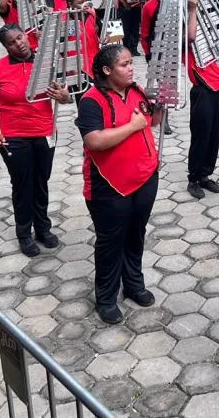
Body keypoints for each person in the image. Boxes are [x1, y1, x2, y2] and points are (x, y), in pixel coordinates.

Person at [76, 44, 161, 324]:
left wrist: (161, 104)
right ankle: (106, 298)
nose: (131, 68)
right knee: (111, 242)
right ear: (106, 70)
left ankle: (134, 284)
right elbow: (95, 141)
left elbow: (151, 121)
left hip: (145, 176)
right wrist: (133, 127)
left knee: (136, 234)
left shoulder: (137, 91)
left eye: (130, 63)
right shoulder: (91, 100)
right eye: (124, 64)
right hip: (109, 186)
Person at [0, 25, 72, 257]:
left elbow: (67, 96)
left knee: (41, 181)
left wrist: (65, 97)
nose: (18, 44)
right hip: (13, 135)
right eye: (11, 42)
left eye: (20, 37)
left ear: (26, 36)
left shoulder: (47, 63)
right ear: (5, 47)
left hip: (45, 132)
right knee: (22, 184)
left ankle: (43, 228)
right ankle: (24, 233)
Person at [185, 0, 219, 200]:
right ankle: (193, 178)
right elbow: (191, 37)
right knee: (201, 135)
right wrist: (192, 10)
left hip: (215, 86)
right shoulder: (182, 27)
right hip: (201, 89)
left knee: (213, 135)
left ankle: (205, 174)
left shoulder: (203, 27)